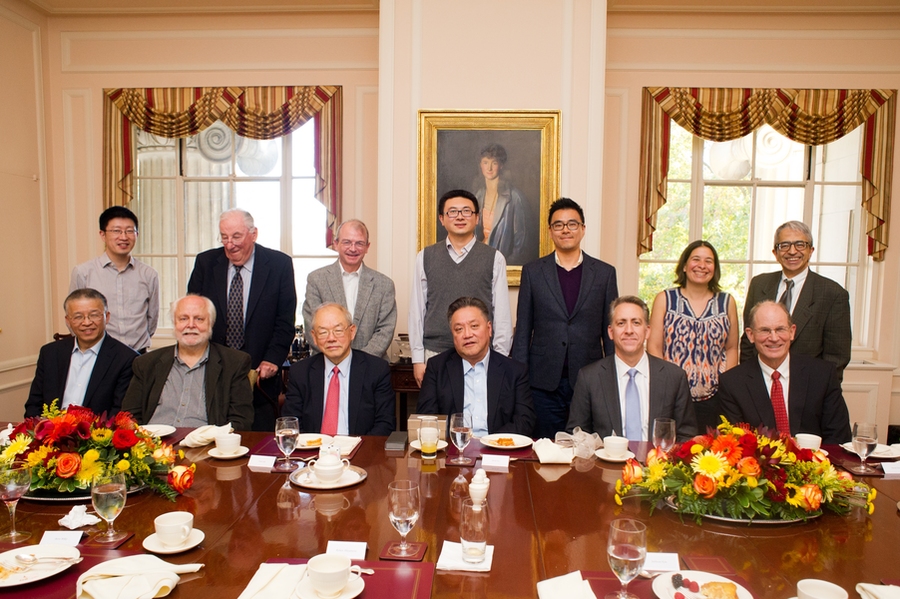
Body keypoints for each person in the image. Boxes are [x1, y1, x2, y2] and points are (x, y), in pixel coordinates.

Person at [512, 198, 619, 438]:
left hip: (589, 378)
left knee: (585, 451)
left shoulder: (604, 273)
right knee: (545, 448)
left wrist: (613, 375)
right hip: (542, 382)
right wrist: (520, 378)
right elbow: (523, 329)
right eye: (558, 225)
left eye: (572, 224)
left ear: (582, 229)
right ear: (550, 231)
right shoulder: (533, 271)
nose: (566, 230)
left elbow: (610, 331)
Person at [187, 208, 296, 431]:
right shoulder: (206, 263)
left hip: (261, 376)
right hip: (213, 373)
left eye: (236, 237)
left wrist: (273, 359)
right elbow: (193, 315)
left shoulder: (278, 264)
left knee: (259, 446)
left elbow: (284, 321)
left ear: (253, 234)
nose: (230, 244)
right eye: (224, 237)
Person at [409, 189, 512, 387]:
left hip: (481, 353)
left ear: (477, 218)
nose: (459, 217)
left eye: (466, 211)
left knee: (481, 413)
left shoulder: (494, 258)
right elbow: (417, 310)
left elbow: (502, 313)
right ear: (442, 218)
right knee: (438, 414)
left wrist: (500, 358)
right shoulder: (426, 256)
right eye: (452, 212)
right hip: (434, 352)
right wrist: (417, 359)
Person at [566, 296, 697, 442]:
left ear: (647, 331)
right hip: (606, 463)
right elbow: (576, 435)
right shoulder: (590, 377)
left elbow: (686, 436)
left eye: (636, 323)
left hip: (658, 463)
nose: (629, 330)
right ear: (611, 332)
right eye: (621, 323)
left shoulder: (674, 377)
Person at [717, 300, 850, 444]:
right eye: (765, 330)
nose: (774, 338)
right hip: (759, 464)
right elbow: (734, 443)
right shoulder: (732, 383)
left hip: (817, 463)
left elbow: (839, 437)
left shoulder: (822, 375)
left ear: (792, 332)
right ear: (750, 335)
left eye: (780, 329)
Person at [121, 294, 254, 430]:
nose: (190, 325)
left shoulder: (234, 363)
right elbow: (129, 416)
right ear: (174, 323)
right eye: (183, 319)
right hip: (153, 445)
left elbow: (241, 421)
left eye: (199, 319)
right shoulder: (146, 363)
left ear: (211, 323)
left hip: (206, 447)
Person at [740, 221, 851, 381]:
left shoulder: (833, 293)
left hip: (807, 385)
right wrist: (748, 381)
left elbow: (836, 357)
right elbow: (748, 341)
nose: (792, 251)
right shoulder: (759, 284)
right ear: (775, 252)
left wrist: (823, 393)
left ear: (811, 250)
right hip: (760, 383)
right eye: (784, 245)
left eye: (800, 244)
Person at [648, 240, 738, 431]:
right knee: (670, 452)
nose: (702, 266)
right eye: (696, 259)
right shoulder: (665, 299)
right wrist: (663, 385)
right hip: (672, 395)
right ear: (685, 266)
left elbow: (731, 347)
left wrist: (727, 387)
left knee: (710, 454)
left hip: (714, 397)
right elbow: (654, 347)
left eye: (709, 261)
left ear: (715, 268)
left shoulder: (727, 301)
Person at [417, 297, 535, 436]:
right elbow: (427, 419)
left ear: (489, 329)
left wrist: (490, 443)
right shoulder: (437, 367)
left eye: (474, 326)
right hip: (454, 450)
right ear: (453, 335)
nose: (467, 334)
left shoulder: (515, 371)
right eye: (459, 329)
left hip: (499, 450)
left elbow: (525, 421)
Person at [283, 303, 395, 436]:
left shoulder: (376, 370)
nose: (331, 338)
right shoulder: (300, 372)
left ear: (352, 332)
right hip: (313, 451)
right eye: (323, 332)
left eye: (338, 330)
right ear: (314, 337)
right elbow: (291, 423)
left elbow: (385, 424)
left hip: (360, 450)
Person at [25, 288, 137, 417]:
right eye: (78, 317)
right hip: (50, 432)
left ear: (107, 317)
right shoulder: (50, 353)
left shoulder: (126, 358)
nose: (87, 322)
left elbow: (118, 414)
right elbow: (34, 405)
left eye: (94, 315)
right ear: (68, 321)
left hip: (96, 434)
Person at [302, 219, 397, 359]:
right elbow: (312, 326)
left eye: (359, 243)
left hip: (371, 367)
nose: (353, 248)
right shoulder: (316, 280)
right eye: (347, 242)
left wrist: (358, 362)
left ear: (367, 247)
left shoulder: (384, 284)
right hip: (327, 366)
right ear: (336, 244)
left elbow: (385, 330)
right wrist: (339, 358)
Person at [69, 206, 159, 353]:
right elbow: (74, 317)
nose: (124, 237)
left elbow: (152, 319)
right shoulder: (83, 272)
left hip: (138, 355)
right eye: (116, 231)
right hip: (99, 354)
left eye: (130, 231)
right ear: (102, 235)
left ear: (137, 234)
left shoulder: (149, 274)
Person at [473, 143, 535, 265]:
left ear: (501, 165)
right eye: (485, 162)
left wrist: (504, 266)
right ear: (481, 165)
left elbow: (520, 243)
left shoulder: (514, 198)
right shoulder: (477, 197)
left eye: (494, 163)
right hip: (479, 264)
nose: (489, 168)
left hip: (501, 265)